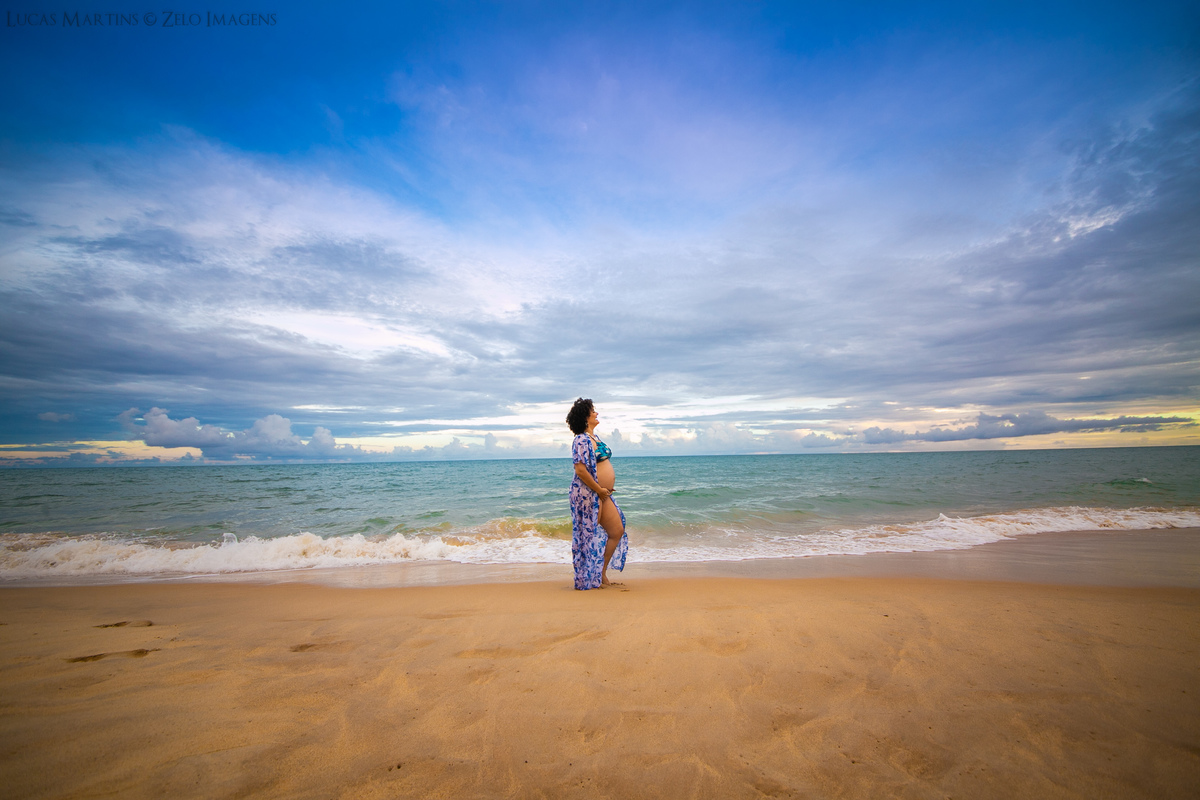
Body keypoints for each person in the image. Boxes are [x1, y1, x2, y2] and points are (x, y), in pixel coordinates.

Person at [566, 397, 628, 589]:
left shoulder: (595, 438)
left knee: (616, 530)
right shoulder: (581, 440)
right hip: (587, 493)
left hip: (602, 493)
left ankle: (600, 572)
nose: (596, 413)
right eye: (593, 410)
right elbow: (580, 470)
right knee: (588, 535)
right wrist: (598, 488)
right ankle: (587, 578)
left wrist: (606, 487)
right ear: (585, 416)